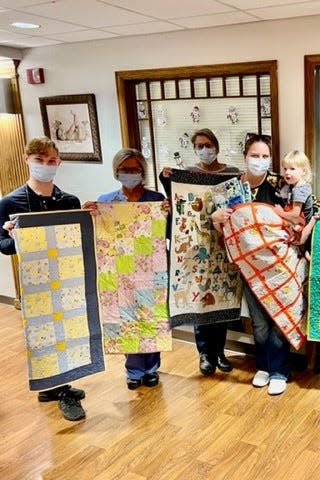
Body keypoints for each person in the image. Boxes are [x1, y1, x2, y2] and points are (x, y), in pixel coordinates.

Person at [0, 136, 86, 421]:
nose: (45, 166)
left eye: (51, 161)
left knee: (68, 333)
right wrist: (14, 237)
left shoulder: (68, 200)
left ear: (58, 163)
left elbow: (78, 238)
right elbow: (2, 245)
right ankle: (62, 392)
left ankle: (53, 386)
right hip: (35, 282)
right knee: (45, 335)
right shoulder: (10, 202)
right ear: (27, 160)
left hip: (67, 279)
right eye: (39, 161)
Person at [211, 134, 291, 395]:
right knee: (258, 321)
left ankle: (279, 370)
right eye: (254, 156)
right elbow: (224, 230)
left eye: (265, 156)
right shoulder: (231, 188)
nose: (260, 161)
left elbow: (296, 218)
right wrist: (216, 218)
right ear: (245, 157)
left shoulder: (281, 184)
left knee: (277, 317)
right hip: (247, 266)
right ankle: (264, 366)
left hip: (278, 263)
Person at [161, 128, 240, 376]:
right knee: (199, 300)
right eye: (199, 146)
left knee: (220, 298)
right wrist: (166, 179)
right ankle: (205, 354)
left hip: (222, 243)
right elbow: (177, 202)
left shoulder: (231, 174)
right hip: (197, 246)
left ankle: (219, 352)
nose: (204, 150)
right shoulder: (190, 175)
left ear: (216, 145)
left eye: (208, 144)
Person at [88, 148, 167, 390]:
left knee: (150, 314)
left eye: (135, 169)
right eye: (125, 170)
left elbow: (167, 229)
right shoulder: (106, 201)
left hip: (150, 268)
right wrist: (91, 214)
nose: (130, 174)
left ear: (142, 171)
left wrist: (168, 213)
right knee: (126, 317)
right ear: (116, 172)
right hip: (120, 268)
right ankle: (133, 371)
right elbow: (98, 234)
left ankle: (152, 368)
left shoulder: (155, 199)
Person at [276, 149, 317, 250]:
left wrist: (280, 213)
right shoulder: (294, 185)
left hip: (304, 225)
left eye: (292, 169)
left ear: (303, 171)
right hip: (299, 222)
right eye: (285, 169)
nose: (287, 172)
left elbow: (295, 213)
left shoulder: (300, 189)